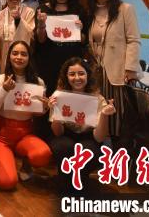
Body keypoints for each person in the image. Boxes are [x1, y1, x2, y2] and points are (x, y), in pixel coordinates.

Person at [86, 0, 141, 151]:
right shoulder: (91, 12)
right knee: (101, 114)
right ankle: (102, 155)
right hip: (98, 73)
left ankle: (121, 156)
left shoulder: (125, 9)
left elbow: (134, 40)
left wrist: (130, 68)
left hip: (119, 72)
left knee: (119, 117)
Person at [0, 41, 52, 189]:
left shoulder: (38, 82)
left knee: (42, 155)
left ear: (29, 58)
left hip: (25, 133)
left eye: (24, 54)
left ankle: (26, 165)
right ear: (9, 56)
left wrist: (45, 107)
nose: (19, 57)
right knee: (7, 182)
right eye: (15, 53)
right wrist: (4, 90)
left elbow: (38, 113)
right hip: (2, 134)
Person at [48, 58, 116, 191]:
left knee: (87, 151)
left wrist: (104, 115)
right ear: (66, 77)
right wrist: (56, 111)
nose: (77, 78)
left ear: (88, 75)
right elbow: (58, 132)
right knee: (63, 146)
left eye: (81, 73)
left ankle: (79, 180)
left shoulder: (98, 98)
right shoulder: (58, 96)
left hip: (89, 137)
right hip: (65, 135)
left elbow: (99, 138)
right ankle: (66, 180)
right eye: (72, 74)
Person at [35, 0, 88, 96]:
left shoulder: (79, 10)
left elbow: (84, 40)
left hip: (72, 64)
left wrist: (79, 31)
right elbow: (40, 40)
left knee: (71, 98)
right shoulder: (42, 9)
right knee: (49, 98)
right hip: (48, 63)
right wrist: (41, 24)